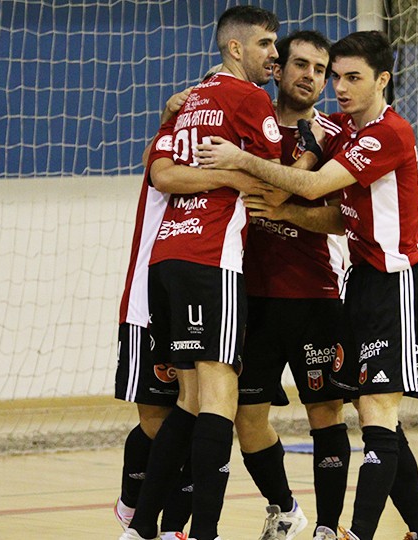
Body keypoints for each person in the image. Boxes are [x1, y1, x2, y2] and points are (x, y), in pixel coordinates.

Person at [196, 30, 418, 540]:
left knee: (366, 411)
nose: (325, 82)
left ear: (382, 80)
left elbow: (313, 188)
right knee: (363, 415)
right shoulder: (275, 123)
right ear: (277, 69)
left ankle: (340, 529)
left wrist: (244, 166)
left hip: (357, 289)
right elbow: (344, 217)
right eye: (316, 70)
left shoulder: (357, 132)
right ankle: (305, 512)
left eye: (338, 73)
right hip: (296, 291)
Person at [120, 6, 282, 540]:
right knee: (220, 399)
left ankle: (143, 528)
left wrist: (213, 173)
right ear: (234, 49)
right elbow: (271, 182)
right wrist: (232, 173)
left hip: (167, 258)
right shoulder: (250, 99)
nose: (273, 55)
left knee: (187, 402)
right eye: (264, 45)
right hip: (212, 258)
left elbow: (163, 172)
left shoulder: (187, 103)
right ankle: (204, 534)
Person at [232, 30, 351, 540]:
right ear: (277, 69)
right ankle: (284, 509)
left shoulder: (331, 136)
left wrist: (288, 210)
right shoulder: (247, 123)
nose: (310, 75)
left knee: (325, 412)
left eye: (321, 70)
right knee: (244, 417)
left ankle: (327, 527)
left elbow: (345, 219)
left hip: (313, 296)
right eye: (300, 64)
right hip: (250, 298)